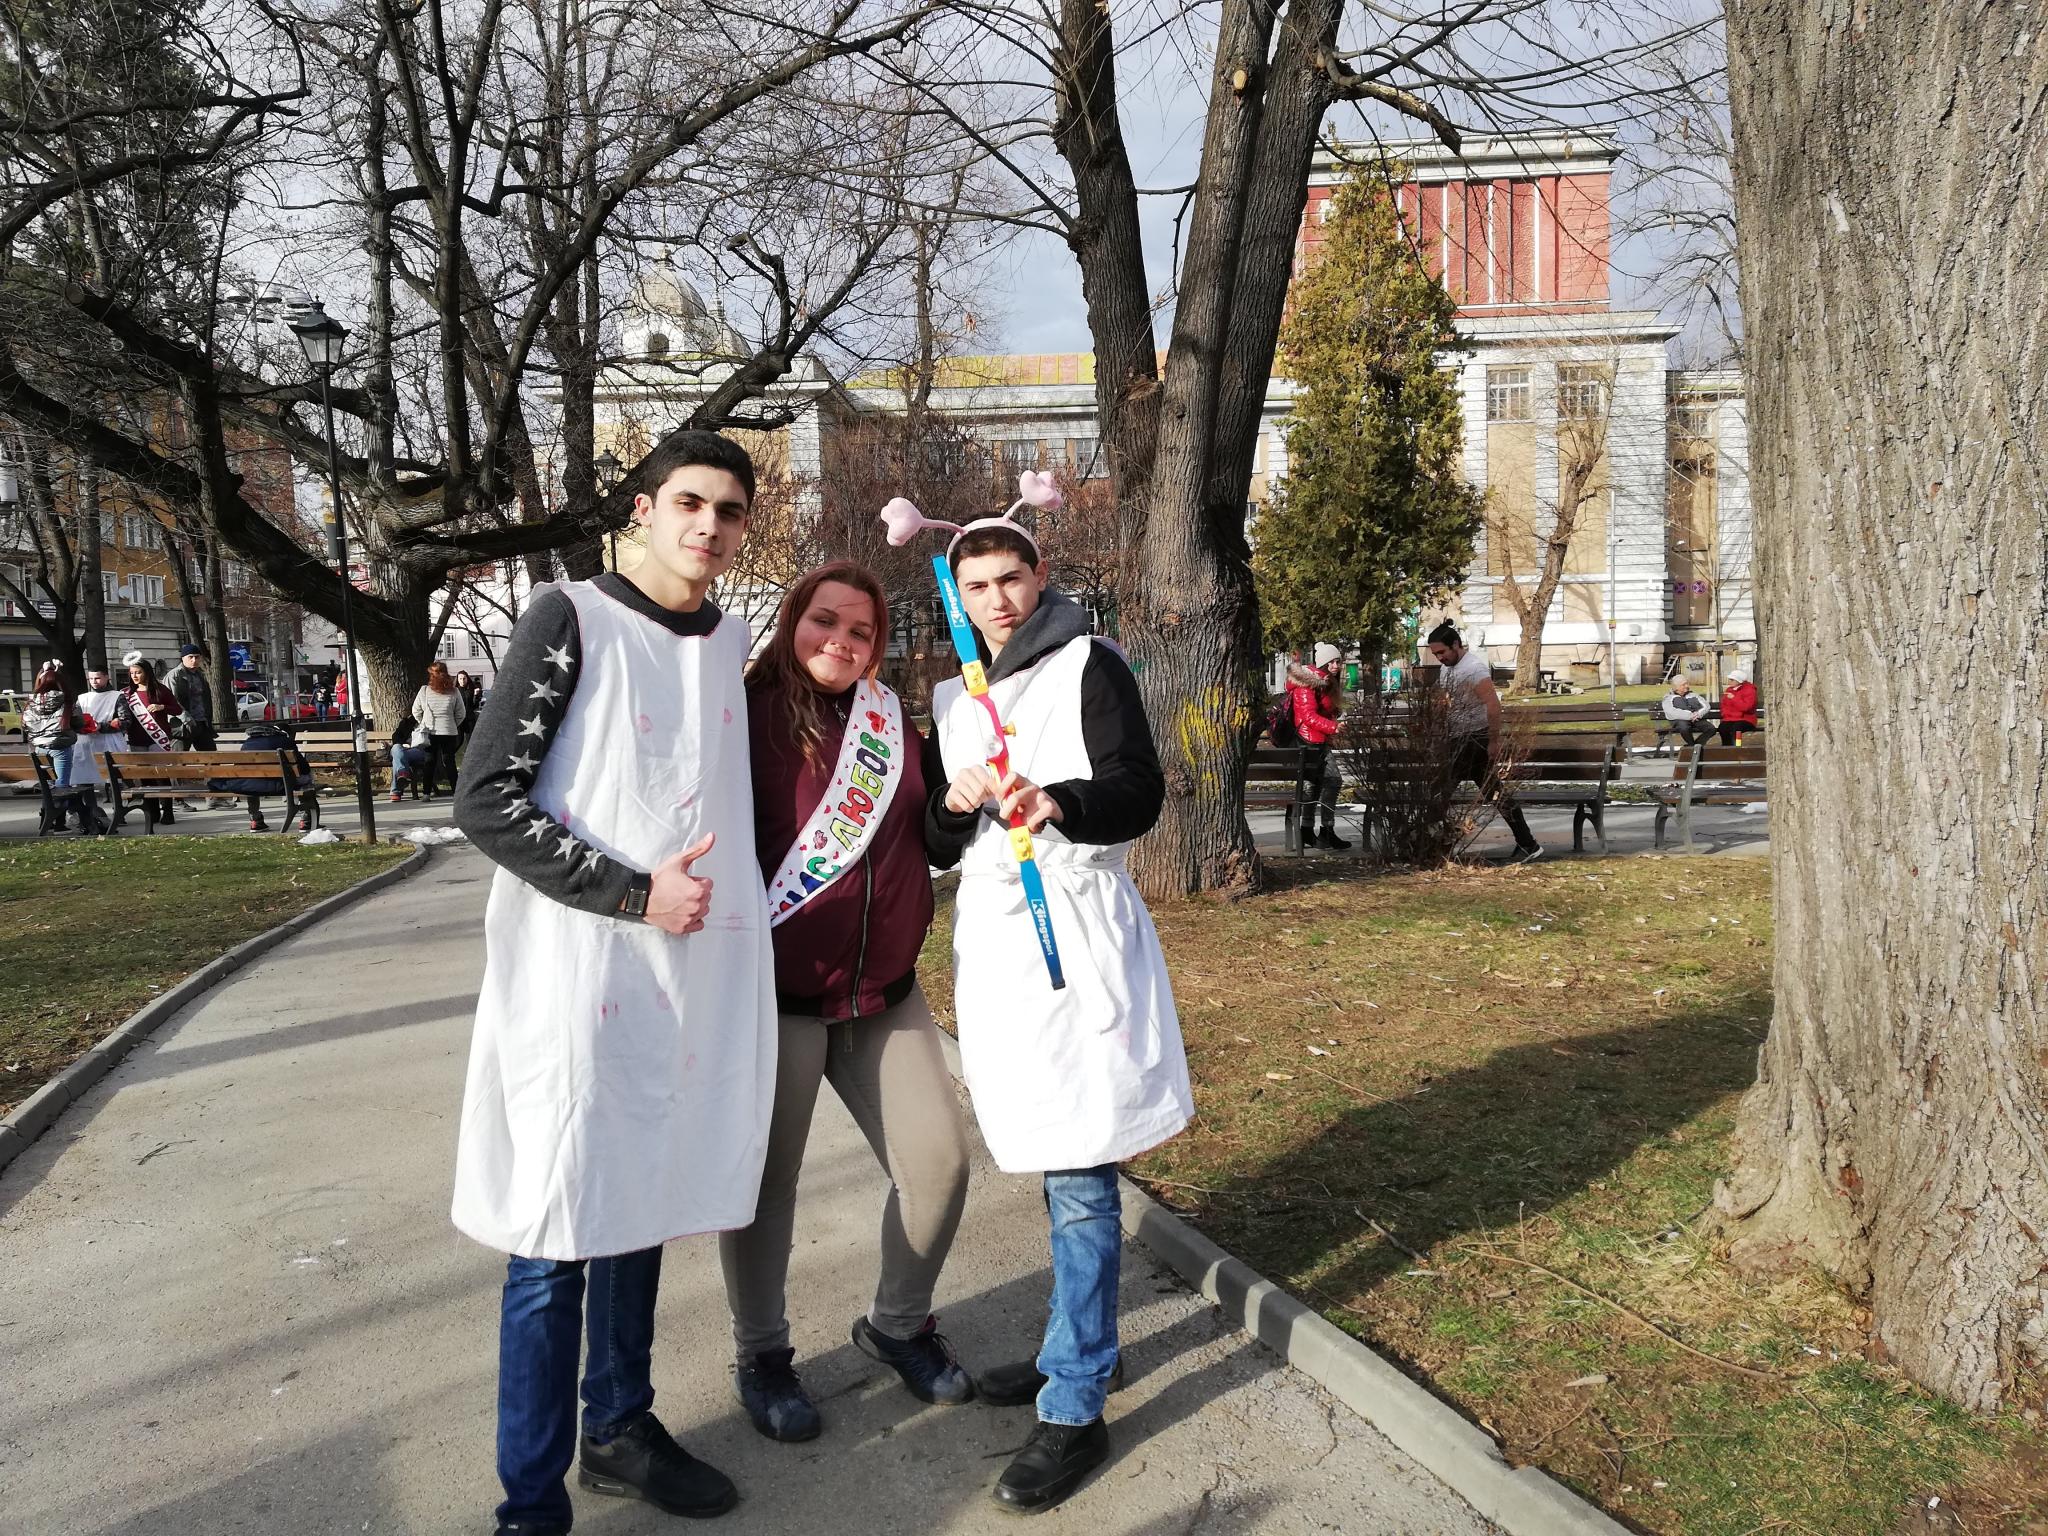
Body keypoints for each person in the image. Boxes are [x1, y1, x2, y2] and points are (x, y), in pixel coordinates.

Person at [450, 432, 775, 1536]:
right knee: (555, 1231)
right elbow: (486, 799)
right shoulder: (569, 617)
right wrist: (635, 895)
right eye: (689, 503)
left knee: (642, 1198)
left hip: (681, 978)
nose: (708, 527)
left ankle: (620, 1427)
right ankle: (530, 1503)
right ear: (643, 508)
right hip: (576, 971)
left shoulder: (727, 639)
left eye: (729, 511)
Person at [886, 477, 1193, 1515]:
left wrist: (1055, 799)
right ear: (954, 593)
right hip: (999, 950)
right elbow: (935, 843)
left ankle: (1073, 1403)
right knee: (1048, 1153)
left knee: (1079, 1166)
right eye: (975, 586)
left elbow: (1139, 791)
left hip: (1077, 934)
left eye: (1010, 578)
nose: (996, 600)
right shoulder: (950, 699)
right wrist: (953, 798)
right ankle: (1083, 1346)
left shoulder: (1088, 664)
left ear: (1039, 574)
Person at [718, 561, 974, 1445]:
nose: (841, 640)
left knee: (939, 1167)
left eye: (861, 630)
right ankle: (762, 1354)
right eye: (824, 620)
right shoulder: (743, 717)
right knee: (766, 1188)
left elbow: (931, 836)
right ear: (793, 620)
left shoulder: (889, 721)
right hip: (778, 1000)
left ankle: (897, 1325)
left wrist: (958, 807)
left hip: (883, 995)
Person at [1426, 621, 1541, 864]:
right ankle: (1528, 843)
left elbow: (1493, 705)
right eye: (1435, 654)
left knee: (1440, 791)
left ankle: (1429, 843)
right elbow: (1446, 700)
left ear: (1456, 644)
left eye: (1442, 652)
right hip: (1457, 738)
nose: (1439, 658)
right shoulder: (1447, 669)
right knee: (1494, 793)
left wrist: (1493, 741)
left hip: (1475, 740)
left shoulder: (1474, 669)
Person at [1286, 659, 1351, 851]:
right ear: (1322, 663)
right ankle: (1325, 830)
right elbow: (1308, 716)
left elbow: (1323, 709)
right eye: (1331, 662)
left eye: (1338, 661)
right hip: (1309, 741)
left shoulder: (1325, 682)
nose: (1336, 665)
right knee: (1333, 780)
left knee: (1314, 786)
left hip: (1318, 740)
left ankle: (1310, 830)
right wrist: (1333, 727)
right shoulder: (1306, 684)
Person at [211, 720, 314, 832]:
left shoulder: (248, 743)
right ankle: (306, 819)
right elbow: (304, 768)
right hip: (281, 785)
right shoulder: (285, 741)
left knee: (252, 779)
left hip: (250, 786)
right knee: (307, 779)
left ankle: (255, 820)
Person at [120, 652, 183, 826]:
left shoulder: (160, 689)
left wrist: (162, 707)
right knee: (145, 778)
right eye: (132, 673)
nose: (134, 676)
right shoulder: (126, 694)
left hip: (158, 739)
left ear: (147, 672)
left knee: (161, 775)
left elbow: (177, 709)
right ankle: (153, 812)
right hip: (136, 740)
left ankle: (168, 811)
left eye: (138, 672)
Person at [22, 661, 83, 831]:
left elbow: (26, 726)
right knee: (62, 784)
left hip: (39, 749)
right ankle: (59, 822)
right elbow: (79, 724)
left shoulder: (30, 704)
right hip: (60, 747)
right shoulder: (67, 702)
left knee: (48, 785)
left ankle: (46, 820)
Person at [411, 661, 468, 797]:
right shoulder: (454, 691)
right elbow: (461, 713)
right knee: (449, 761)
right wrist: (452, 723)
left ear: (432, 675)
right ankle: (456, 791)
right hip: (449, 731)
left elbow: (416, 711)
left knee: (429, 761)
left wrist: (423, 722)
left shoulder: (424, 690)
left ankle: (426, 793)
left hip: (430, 730)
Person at [170, 644, 217, 751]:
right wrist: (186, 720)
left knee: (211, 757)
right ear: (183, 658)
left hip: (202, 723)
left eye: (197, 657)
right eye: (190, 657)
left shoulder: (201, 675)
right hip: (182, 725)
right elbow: (171, 700)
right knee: (179, 758)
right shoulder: (174, 675)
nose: (194, 660)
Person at [387, 716, 433, 801]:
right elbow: (395, 737)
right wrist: (403, 744)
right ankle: (403, 774)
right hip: (403, 749)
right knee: (396, 749)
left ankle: (396, 791)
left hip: (419, 750)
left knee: (397, 758)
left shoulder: (429, 722)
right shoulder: (407, 722)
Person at [1661, 675, 1716, 747]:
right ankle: (1691, 745)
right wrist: (1690, 715)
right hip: (1680, 720)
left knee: (1711, 729)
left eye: (1687, 683)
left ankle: (1696, 745)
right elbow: (1671, 712)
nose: (1687, 686)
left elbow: (1706, 706)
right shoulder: (1668, 697)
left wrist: (1699, 714)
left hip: (1697, 719)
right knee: (1684, 727)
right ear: (1676, 687)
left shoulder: (1694, 695)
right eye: (1683, 685)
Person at [1718, 668, 1759, 746]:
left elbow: (1746, 707)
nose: (1729, 681)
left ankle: (1737, 747)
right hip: (1730, 718)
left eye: (1732, 680)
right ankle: (1726, 748)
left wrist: (1734, 698)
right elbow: (1724, 705)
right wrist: (1725, 714)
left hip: (1746, 719)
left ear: (1738, 680)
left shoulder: (1750, 690)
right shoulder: (1729, 690)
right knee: (1723, 728)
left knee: (1736, 728)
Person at [456, 668, 485, 757]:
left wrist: (476, 696)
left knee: (471, 741)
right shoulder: (455, 691)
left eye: (464, 678)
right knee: (458, 741)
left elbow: (474, 705)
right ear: (457, 680)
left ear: (467, 679)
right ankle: (449, 756)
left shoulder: (472, 689)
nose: (462, 681)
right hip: (459, 719)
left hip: (469, 718)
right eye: (460, 678)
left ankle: (470, 758)